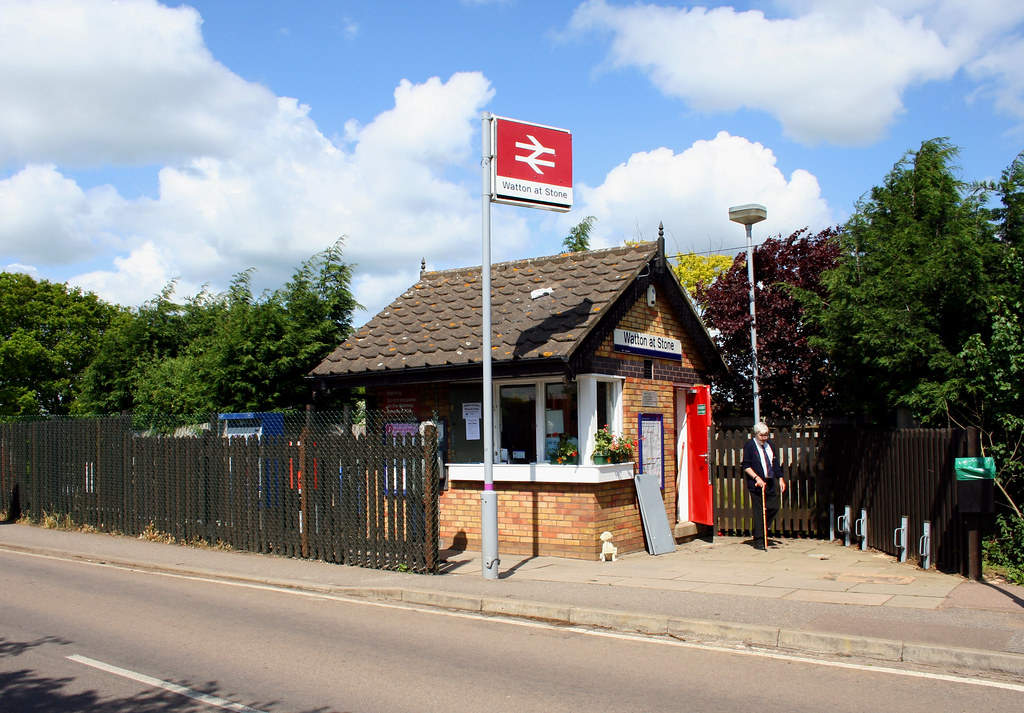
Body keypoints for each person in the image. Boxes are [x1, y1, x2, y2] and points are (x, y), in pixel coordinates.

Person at [741, 422, 786, 550]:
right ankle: (760, 539)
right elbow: (746, 466)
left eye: (766, 435)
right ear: (756, 434)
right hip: (756, 484)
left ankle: (760, 530)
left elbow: (775, 463)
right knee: (759, 511)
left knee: (773, 507)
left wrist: (780, 478)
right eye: (762, 435)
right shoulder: (750, 446)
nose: (764, 438)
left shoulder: (770, 445)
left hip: (769, 481)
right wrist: (756, 477)